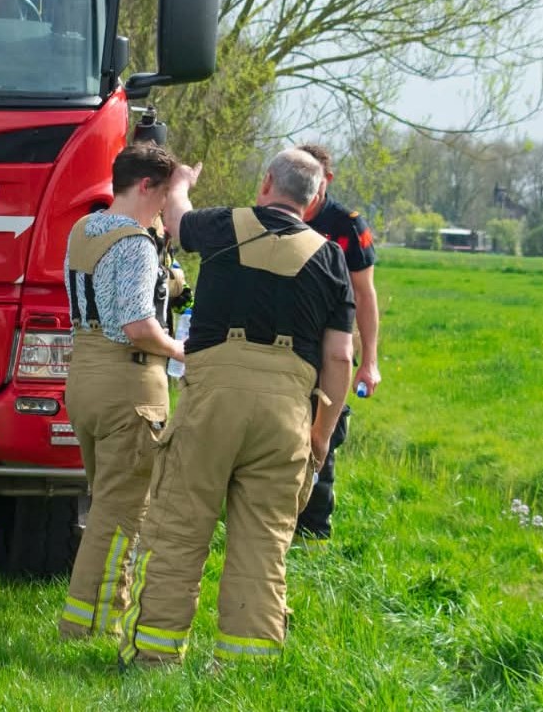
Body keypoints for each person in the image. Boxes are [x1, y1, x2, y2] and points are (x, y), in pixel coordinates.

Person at [118, 148, 354, 667]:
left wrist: (181, 182)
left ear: (266, 181)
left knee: (181, 527)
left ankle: (154, 659)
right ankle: (246, 666)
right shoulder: (332, 257)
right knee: (264, 542)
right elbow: (340, 355)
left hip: (212, 405)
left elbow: (176, 221)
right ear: (314, 200)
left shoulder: (223, 225)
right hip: (286, 415)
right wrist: (320, 435)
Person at [56, 143, 195, 640]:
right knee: (121, 514)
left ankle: (83, 619)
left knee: (103, 503)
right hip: (128, 383)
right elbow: (137, 324)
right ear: (146, 186)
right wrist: (181, 351)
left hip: (84, 380)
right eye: (164, 198)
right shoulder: (135, 243)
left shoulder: (84, 229)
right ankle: (93, 626)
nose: (165, 210)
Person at [292, 142, 381, 541]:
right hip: (284, 341)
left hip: (331, 344)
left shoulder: (347, 225)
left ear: (325, 181)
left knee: (322, 432)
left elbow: (365, 294)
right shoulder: (276, 212)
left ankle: (312, 533)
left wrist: (370, 360)